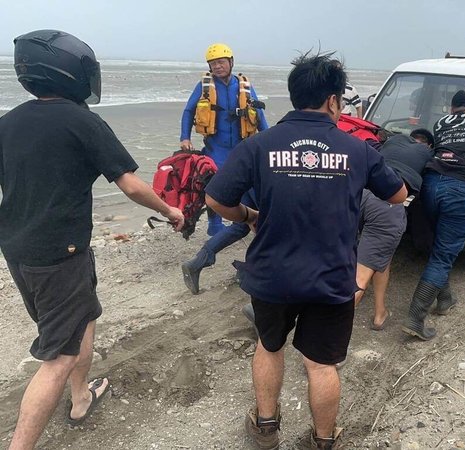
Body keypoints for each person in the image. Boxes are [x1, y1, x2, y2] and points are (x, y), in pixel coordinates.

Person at [204, 52, 406, 449]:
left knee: (269, 346)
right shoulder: (357, 149)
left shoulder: (260, 144)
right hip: (331, 276)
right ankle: (323, 440)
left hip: (272, 274)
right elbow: (397, 194)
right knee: (321, 364)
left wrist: (249, 214)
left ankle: (265, 429)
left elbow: (215, 200)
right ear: (333, 101)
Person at [1, 30, 185, 450]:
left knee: (83, 318)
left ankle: (81, 397)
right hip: (60, 253)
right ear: (72, 72)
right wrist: (169, 210)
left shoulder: (8, 123)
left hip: (17, 249)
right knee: (58, 357)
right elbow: (132, 187)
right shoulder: (82, 120)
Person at [403, 90, 465, 341]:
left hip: (431, 185)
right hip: (459, 189)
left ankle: (445, 298)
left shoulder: (440, 123)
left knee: (439, 247)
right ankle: (415, 318)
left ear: (452, 108)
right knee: (444, 254)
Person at [179, 43, 269, 294]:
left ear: (231, 62)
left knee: (248, 213)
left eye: (221, 62)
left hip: (243, 152)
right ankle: (243, 264)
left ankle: (208, 260)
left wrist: (270, 141)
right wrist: (184, 137)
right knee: (236, 207)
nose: (217, 66)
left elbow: (260, 117)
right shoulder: (205, 87)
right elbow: (188, 112)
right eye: (213, 63)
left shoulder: (245, 86)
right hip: (217, 152)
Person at [354, 129, 434, 330]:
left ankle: (380, 313)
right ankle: (324, 349)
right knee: (360, 277)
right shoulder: (426, 153)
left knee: (382, 257)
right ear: (428, 145)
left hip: (360, 195)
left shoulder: (393, 142)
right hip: (387, 204)